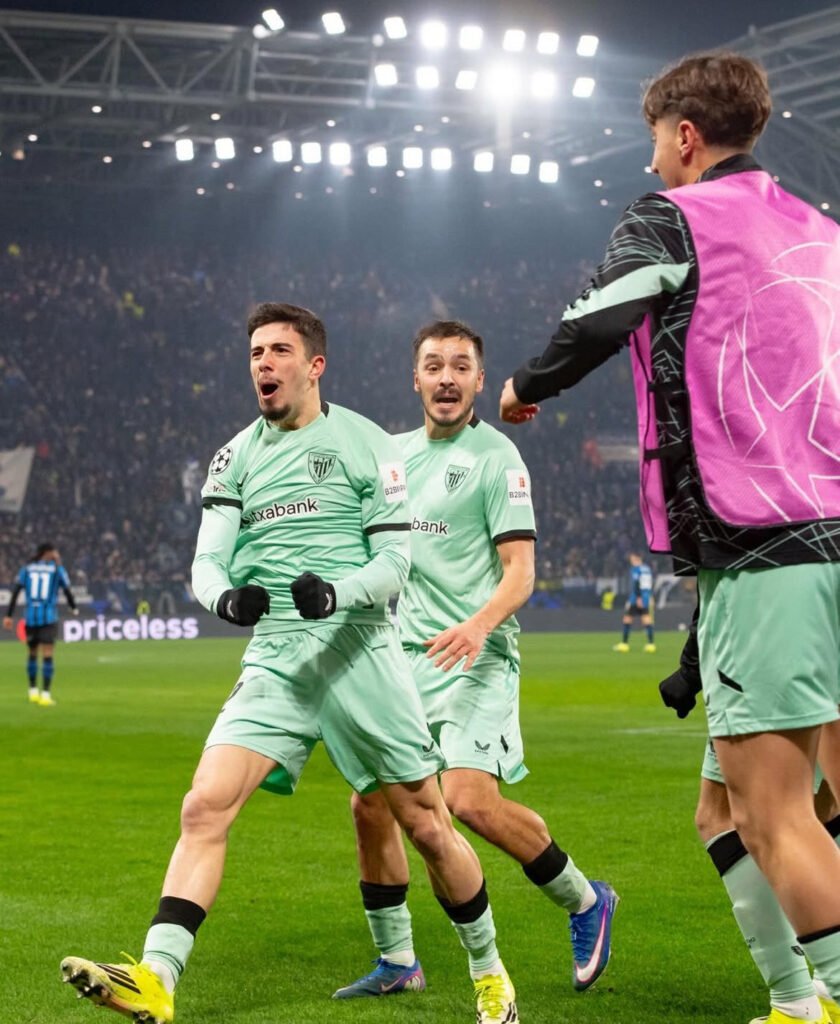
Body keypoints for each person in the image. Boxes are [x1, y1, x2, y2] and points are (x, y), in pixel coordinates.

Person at [499, 51, 840, 1023]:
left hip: (766, 543)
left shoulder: (674, 217)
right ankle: (794, 1000)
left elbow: (598, 317)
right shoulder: (823, 232)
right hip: (821, 537)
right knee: (728, 811)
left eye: (657, 141)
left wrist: (525, 384)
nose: (653, 163)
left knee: (776, 814)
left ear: (686, 135)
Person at [60, 303, 518, 1024]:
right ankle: (157, 977)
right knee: (203, 805)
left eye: (278, 351)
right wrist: (224, 601)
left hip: (359, 650)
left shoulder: (367, 443)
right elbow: (206, 562)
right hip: (276, 657)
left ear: (314, 365)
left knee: (428, 824)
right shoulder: (234, 456)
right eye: (254, 353)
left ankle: (490, 973)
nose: (263, 364)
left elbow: (396, 562)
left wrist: (337, 591)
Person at [334, 320, 617, 1000]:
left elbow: (520, 573)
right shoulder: (391, 456)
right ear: (416, 377)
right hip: (402, 661)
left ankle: (585, 900)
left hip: (478, 656)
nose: (446, 377)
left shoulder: (498, 458)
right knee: (370, 804)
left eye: (461, 365)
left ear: (479, 381)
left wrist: (476, 625)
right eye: (433, 364)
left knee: (466, 800)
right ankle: (398, 961)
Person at [3, 542, 78, 706]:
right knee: (48, 654)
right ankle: (45, 694)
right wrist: (74, 608)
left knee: (31, 653)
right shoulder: (57, 569)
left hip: (30, 618)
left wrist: (8, 615)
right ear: (49, 553)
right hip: (48, 618)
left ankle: (32, 691)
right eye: (55, 551)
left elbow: (16, 592)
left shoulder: (27, 569)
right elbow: (67, 590)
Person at [613, 552, 655, 653]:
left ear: (637, 558)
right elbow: (649, 584)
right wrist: (649, 596)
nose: (631, 561)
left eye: (632, 558)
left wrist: (638, 597)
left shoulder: (636, 569)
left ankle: (624, 644)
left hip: (637, 597)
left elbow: (637, 583)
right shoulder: (647, 569)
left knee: (627, 619)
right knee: (647, 619)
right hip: (646, 597)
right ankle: (651, 645)